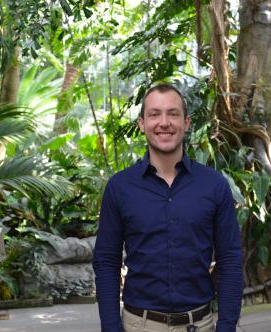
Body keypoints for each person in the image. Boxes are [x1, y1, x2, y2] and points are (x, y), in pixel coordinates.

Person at [93, 83, 243, 332]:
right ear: (142, 124)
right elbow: (106, 261)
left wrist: (226, 327)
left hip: (199, 325)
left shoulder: (214, 185)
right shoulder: (120, 188)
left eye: (172, 114)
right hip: (138, 326)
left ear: (186, 122)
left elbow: (230, 260)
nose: (164, 122)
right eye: (154, 114)